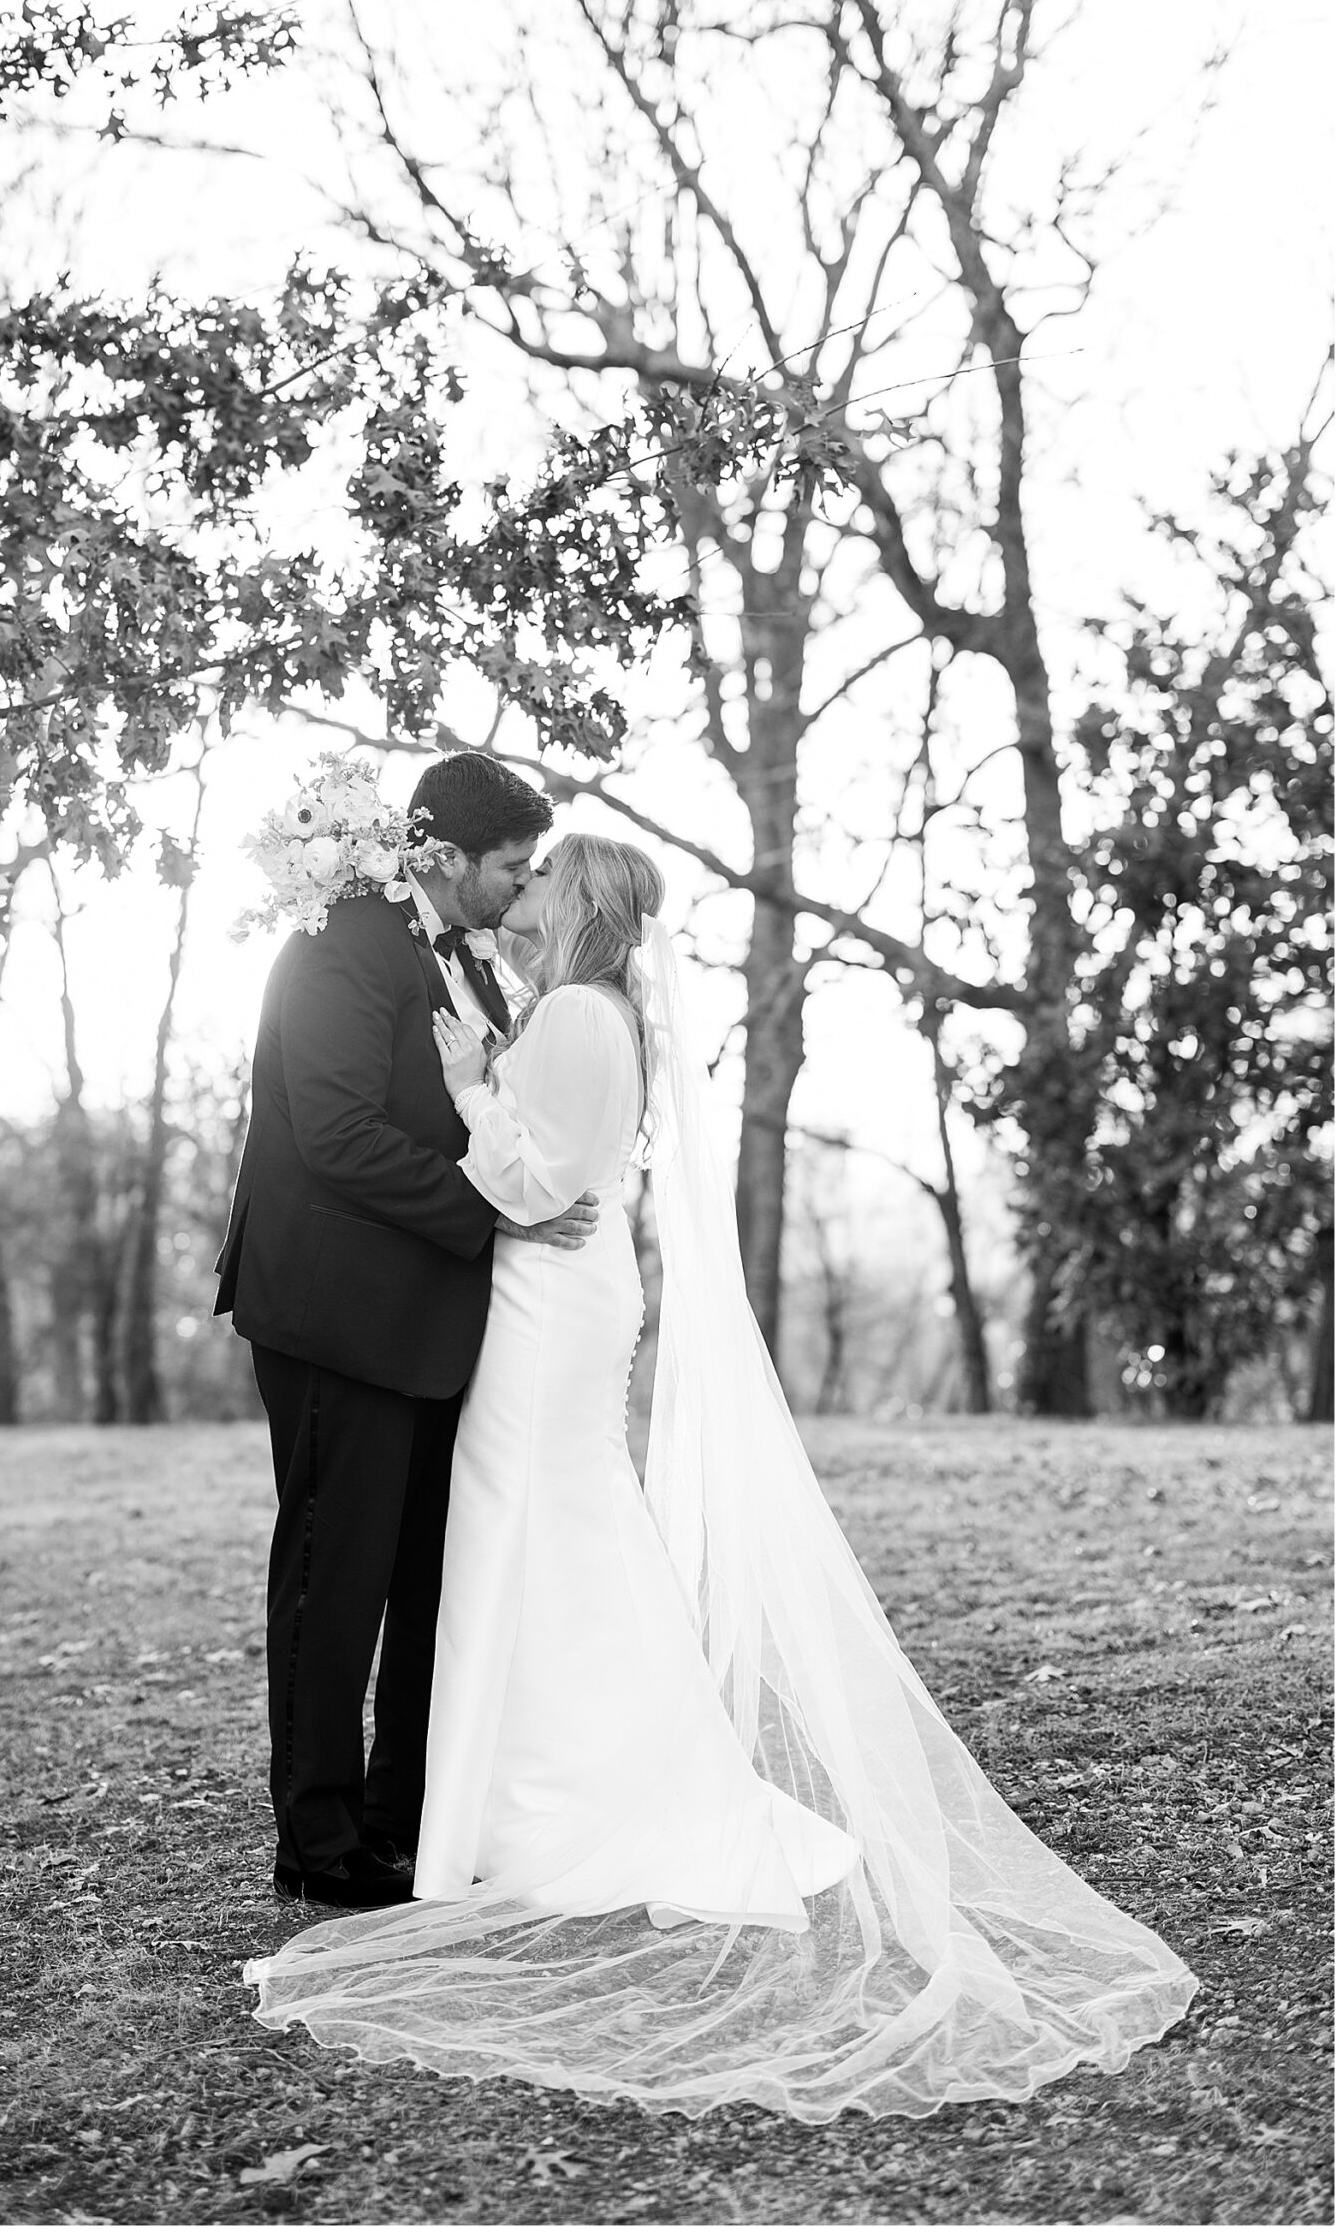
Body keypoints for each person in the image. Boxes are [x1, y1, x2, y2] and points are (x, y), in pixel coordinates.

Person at [244, 833, 1198, 2119]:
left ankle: (562, 1795)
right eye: (515, 869)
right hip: (538, 1297)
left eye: (537, 877)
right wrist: (485, 1085)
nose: (519, 891)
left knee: (542, 1526)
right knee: (530, 1536)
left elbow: (534, 1182)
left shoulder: (577, 1016)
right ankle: (483, 1793)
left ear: (571, 903)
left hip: (548, 1305)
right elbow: (539, 1171)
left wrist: (472, 1089)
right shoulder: (564, 1005)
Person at [214, 753, 596, 1909]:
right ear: (442, 857)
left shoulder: (468, 958)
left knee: (429, 1581)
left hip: (432, 1319)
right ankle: (319, 1847)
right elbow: (332, 1133)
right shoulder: (336, 945)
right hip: (337, 1313)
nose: (519, 885)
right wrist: (490, 1212)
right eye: (509, 866)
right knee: (336, 1585)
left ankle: (401, 1821)